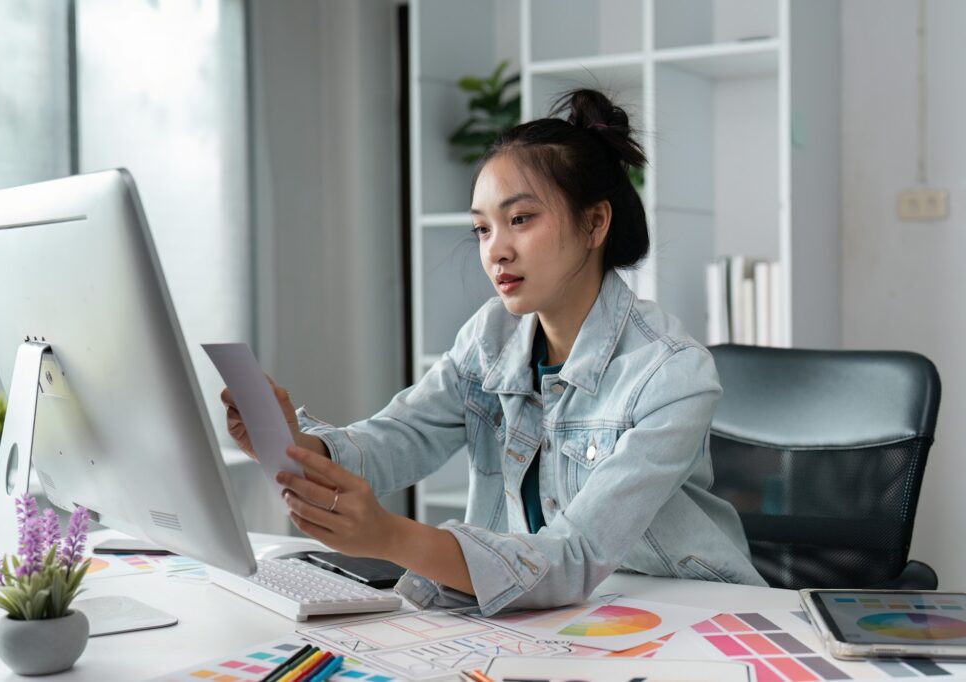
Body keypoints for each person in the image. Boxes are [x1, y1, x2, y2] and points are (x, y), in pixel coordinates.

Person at [222, 88, 766, 617]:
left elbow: (574, 556)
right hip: (551, 611)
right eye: (482, 229)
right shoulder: (490, 337)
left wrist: (389, 536)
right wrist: (294, 446)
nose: (495, 250)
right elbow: (402, 436)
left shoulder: (671, 373)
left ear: (595, 222)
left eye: (520, 219)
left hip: (694, 617)